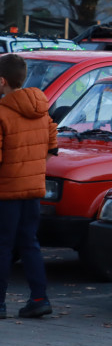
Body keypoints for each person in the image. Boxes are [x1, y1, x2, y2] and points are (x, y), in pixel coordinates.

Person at [0, 53, 59, 319]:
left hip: (6, 192)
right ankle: (39, 298)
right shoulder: (42, 111)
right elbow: (51, 148)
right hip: (34, 190)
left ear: (2, 82)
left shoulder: (1, 114)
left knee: (2, 246)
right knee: (29, 244)